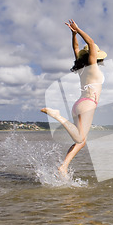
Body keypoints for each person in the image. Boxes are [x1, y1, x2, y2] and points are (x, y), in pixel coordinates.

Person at [41, 19, 107, 178]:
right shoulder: (92, 67)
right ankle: (57, 116)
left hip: (78, 104)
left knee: (80, 140)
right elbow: (90, 43)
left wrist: (74, 35)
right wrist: (79, 30)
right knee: (80, 139)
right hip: (88, 104)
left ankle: (63, 166)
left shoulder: (81, 68)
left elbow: (76, 47)